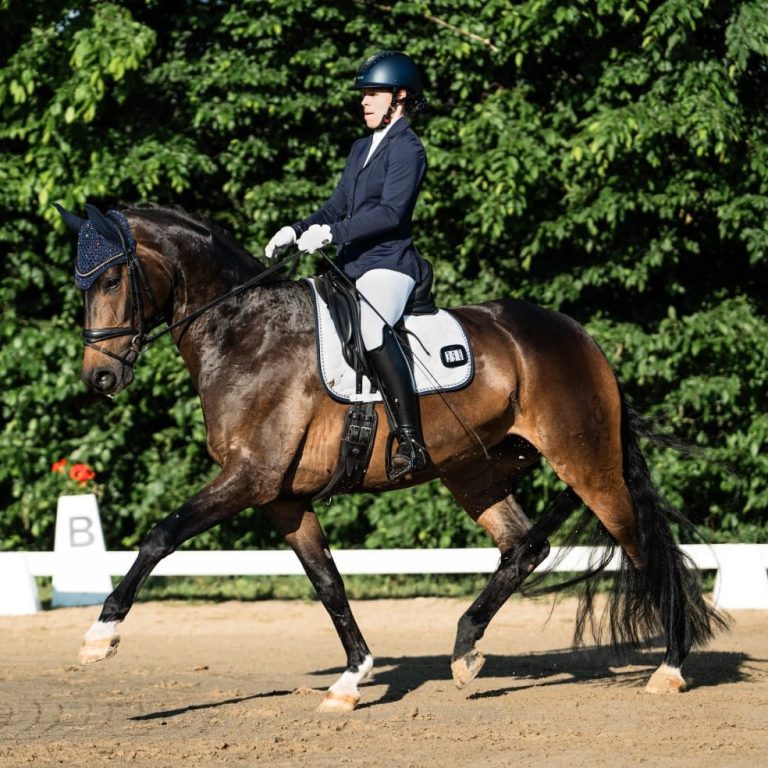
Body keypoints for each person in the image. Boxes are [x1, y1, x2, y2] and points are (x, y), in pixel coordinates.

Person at [264, 50, 430, 479]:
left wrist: (333, 234)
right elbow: (335, 206)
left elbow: (391, 213)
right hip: (350, 267)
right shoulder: (361, 147)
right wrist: (296, 229)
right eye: (364, 94)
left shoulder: (408, 149)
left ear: (400, 96)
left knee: (372, 329)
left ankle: (411, 440)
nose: (364, 101)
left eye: (373, 93)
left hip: (389, 265)